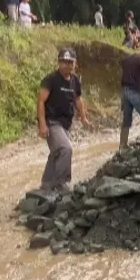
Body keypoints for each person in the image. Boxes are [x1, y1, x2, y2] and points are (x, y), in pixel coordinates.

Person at [37, 48, 90, 190]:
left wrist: (83, 116)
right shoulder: (51, 79)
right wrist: (42, 124)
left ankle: (46, 184)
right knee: (65, 149)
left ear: (75, 63)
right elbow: (41, 101)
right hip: (52, 122)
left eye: (70, 62)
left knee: (56, 152)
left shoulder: (75, 81)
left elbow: (78, 99)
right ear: (58, 63)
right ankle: (61, 182)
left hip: (65, 124)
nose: (66, 65)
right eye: (63, 62)